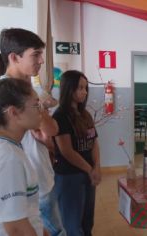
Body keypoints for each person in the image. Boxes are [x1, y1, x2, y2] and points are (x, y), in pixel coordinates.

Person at [0, 28, 65, 236]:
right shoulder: (1, 95)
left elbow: (52, 129)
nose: (41, 61)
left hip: (42, 172)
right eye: (35, 55)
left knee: (53, 228)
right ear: (14, 57)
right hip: (22, 181)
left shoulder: (31, 90)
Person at [0, 79, 43, 236]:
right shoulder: (6, 157)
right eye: (36, 105)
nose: (41, 111)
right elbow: (16, 228)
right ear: (13, 112)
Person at [53, 70, 101, 236]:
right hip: (69, 177)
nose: (84, 92)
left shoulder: (85, 114)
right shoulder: (60, 116)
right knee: (73, 225)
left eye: (85, 88)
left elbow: (94, 142)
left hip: (87, 173)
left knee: (88, 221)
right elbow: (66, 151)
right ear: (69, 89)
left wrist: (97, 167)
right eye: (80, 88)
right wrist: (90, 169)